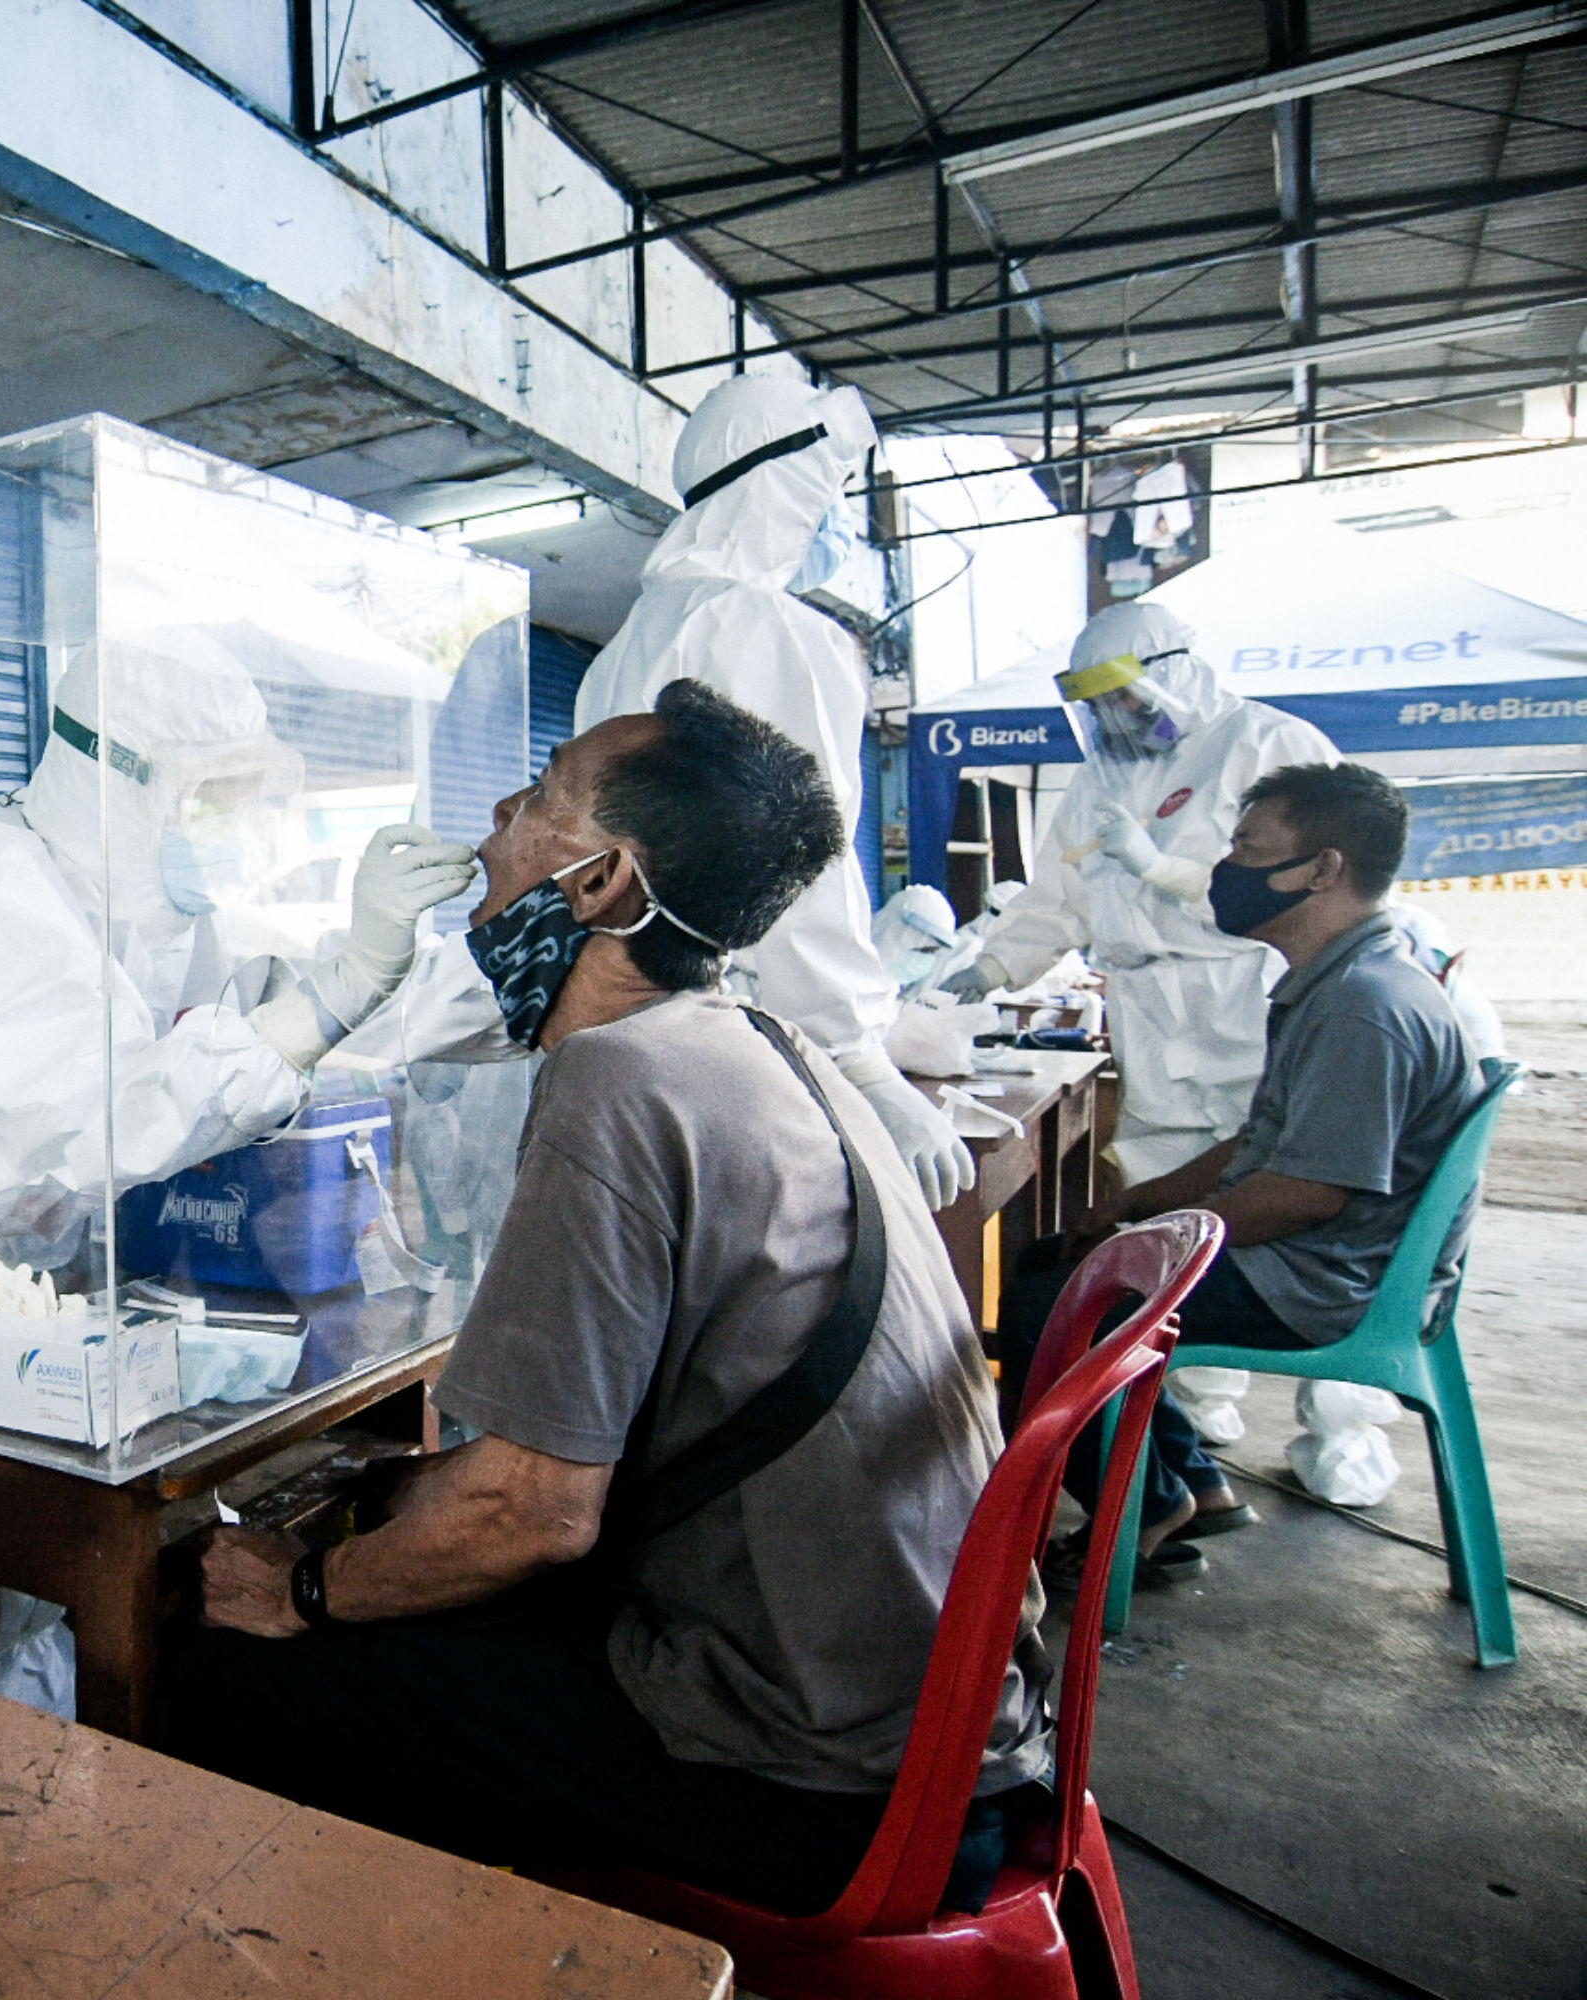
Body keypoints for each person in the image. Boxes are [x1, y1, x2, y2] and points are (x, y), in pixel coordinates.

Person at [168, 680, 1049, 1914]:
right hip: (941, 1724)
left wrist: (302, 1584)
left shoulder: (617, 1085)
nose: (493, 816)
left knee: (231, 1673)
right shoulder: (754, 1042)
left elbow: (532, 1513)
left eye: (536, 798)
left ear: (598, 886)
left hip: (819, 1777)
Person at [0, 646, 495, 1707]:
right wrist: (326, 998)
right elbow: (97, 1121)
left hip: (14, 1225)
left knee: (39, 1491)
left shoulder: (153, 896)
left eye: (248, 794)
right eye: (214, 795)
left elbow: (284, 1003)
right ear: (124, 777)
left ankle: (39, 1713)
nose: (232, 824)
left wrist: (486, 988)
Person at [994, 763, 1480, 1575]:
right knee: (1062, 1260)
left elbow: (1307, 1195)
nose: (1228, 871)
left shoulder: (1365, 1006)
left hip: (1329, 1283)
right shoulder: (1334, 983)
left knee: (1063, 1302)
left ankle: (1143, 1517)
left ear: (1323, 869)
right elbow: (1263, 1144)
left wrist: (1147, 1240)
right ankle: (1192, 1485)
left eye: (1249, 850)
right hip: (1325, 1257)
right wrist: (1137, 1207)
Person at [573, 375, 975, 1212]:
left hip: (647, 1031)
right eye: (826, 494)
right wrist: (860, 1062)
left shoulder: (621, 650)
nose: (829, 523)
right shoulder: (770, 628)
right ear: (783, 486)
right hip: (760, 1047)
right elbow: (797, 868)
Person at [948, 603, 1337, 1183]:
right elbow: (1060, 895)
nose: (1116, 717)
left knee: (1262, 1157)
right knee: (1156, 1175)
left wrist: (1161, 868)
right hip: (1147, 1010)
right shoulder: (1102, 776)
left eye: (1124, 696)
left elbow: (1306, 888)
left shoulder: (1269, 744)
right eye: (1099, 704)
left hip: (1241, 997)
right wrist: (991, 970)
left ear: (1174, 671)